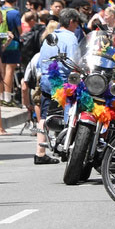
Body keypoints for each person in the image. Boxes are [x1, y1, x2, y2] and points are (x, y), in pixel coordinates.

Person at [33, 9, 81, 165]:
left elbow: (40, 62)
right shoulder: (71, 38)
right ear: (72, 21)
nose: (77, 26)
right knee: (71, 112)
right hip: (63, 83)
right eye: (77, 22)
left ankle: (40, 153)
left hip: (47, 81)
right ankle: (68, 146)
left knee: (44, 116)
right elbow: (75, 63)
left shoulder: (50, 37)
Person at [0, 0, 23, 106]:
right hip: (12, 44)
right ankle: (7, 97)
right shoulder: (15, 13)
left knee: (1, 70)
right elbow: (20, 30)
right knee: (9, 71)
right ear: (16, 0)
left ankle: (0, 95)